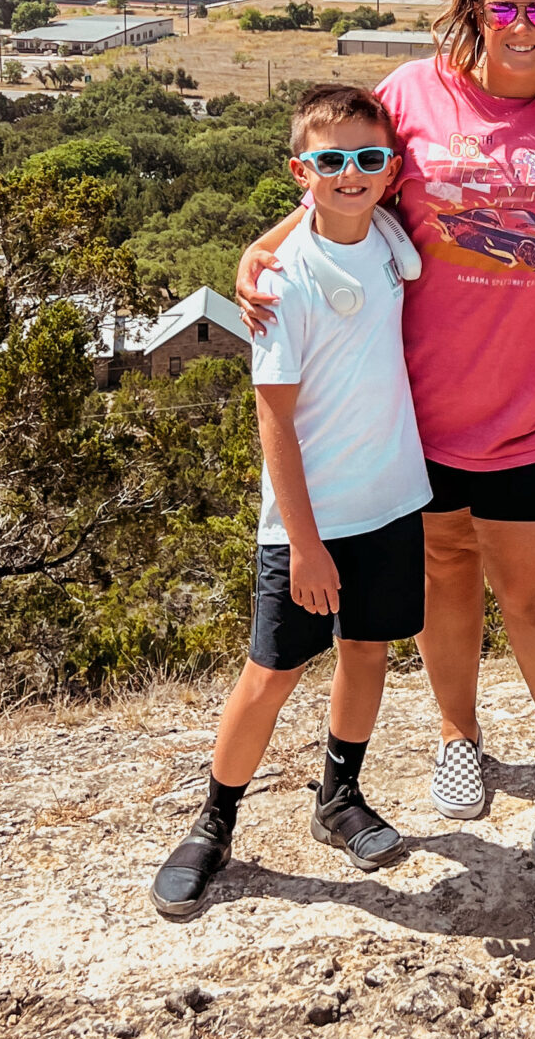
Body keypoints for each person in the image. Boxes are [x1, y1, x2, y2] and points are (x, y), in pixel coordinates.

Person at [239, 0, 535, 862]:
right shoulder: (411, 97)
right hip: (416, 411)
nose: (522, 27)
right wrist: (260, 250)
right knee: (446, 569)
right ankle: (459, 736)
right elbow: (336, 193)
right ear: (472, 5)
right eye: (505, 8)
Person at [148, 84, 430, 921]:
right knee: (271, 672)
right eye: (330, 161)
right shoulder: (284, 282)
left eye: (368, 159)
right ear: (300, 169)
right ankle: (213, 824)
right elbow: (274, 420)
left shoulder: (387, 235)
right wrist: (304, 545)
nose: (352, 173)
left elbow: (355, 206)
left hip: (391, 499)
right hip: (309, 522)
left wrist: (274, 228)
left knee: (369, 653)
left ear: (390, 170)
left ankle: (338, 796)